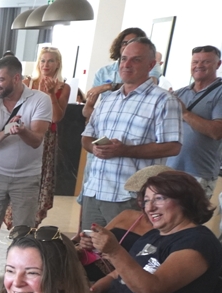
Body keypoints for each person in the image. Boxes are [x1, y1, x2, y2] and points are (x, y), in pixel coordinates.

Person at [90, 171, 222, 293]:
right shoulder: (154, 235)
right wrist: (92, 292)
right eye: (146, 200)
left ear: (185, 200)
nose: (149, 207)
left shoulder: (199, 242)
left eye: (159, 198)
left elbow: (151, 290)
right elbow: (118, 274)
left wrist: (114, 251)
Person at [80, 37, 182, 230]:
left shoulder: (163, 100)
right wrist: (95, 148)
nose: (126, 64)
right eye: (124, 59)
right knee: (89, 246)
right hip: (94, 192)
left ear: (151, 65)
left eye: (136, 59)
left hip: (130, 196)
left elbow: (172, 147)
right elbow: (86, 137)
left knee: (124, 248)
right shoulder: (108, 100)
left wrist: (124, 150)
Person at [0, 55, 53, 232]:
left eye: (1, 80)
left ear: (16, 78)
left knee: (23, 232)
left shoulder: (40, 100)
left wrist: (22, 130)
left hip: (27, 177)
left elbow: (36, 141)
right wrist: (5, 132)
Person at [7, 47, 71, 229]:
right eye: (43, 60)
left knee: (39, 177)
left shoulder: (63, 87)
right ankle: (12, 218)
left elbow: (56, 117)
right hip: (24, 132)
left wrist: (50, 94)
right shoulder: (27, 83)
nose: (46, 65)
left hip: (47, 138)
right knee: (18, 173)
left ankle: (31, 221)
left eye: (50, 61)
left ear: (57, 64)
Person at [166, 45, 222, 199]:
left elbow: (217, 132)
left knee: (191, 214)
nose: (199, 65)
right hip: (169, 170)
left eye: (206, 62)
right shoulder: (180, 93)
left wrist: (184, 113)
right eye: (195, 62)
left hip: (199, 174)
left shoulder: (220, 92)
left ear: (218, 64)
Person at [83, 28, 162, 119]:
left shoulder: (151, 65)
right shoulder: (103, 72)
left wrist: (108, 87)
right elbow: (87, 109)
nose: (128, 46)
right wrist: (103, 119)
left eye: (132, 42)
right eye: (125, 43)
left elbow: (148, 85)